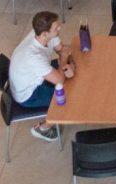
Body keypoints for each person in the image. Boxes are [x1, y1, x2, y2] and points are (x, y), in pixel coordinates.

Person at [8, 11, 76, 141]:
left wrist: (70, 64)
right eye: (56, 28)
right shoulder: (34, 56)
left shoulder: (42, 34)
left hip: (32, 77)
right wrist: (65, 60)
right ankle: (43, 128)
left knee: (71, 76)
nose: (59, 28)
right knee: (69, 96)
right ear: (45, 33)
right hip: (29, 95)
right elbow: (60, 80)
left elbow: (62, 49)